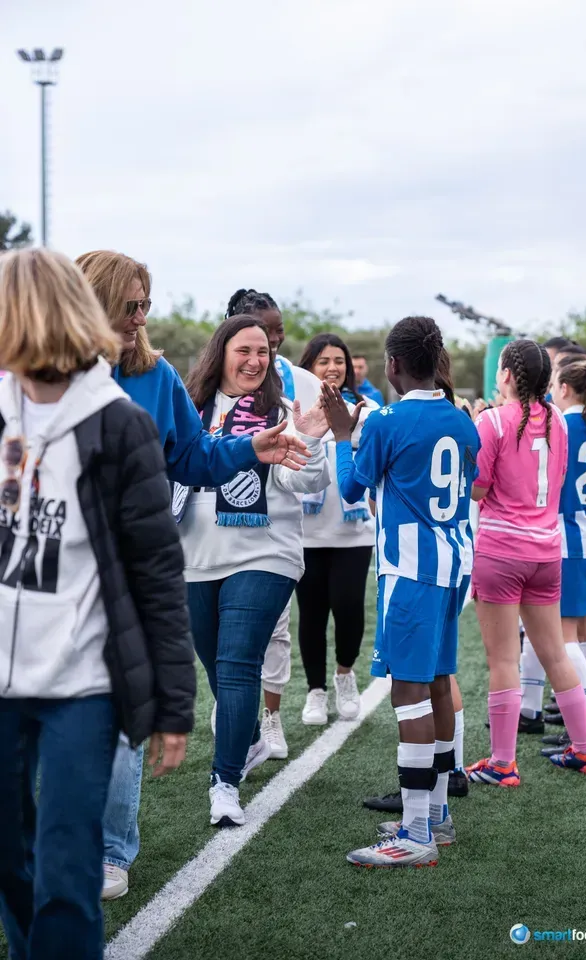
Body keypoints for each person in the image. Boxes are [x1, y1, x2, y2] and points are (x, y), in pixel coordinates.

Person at [77, 253, 309, 900]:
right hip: (51, 579)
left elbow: (192, 457)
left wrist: (251, 447)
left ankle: (112, 850)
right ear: (91, 303)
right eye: (131, 305)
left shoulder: (155, 377)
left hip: (132, 571)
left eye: (146, 304)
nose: (142, 317)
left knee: (126, 711)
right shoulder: (33, 376)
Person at [0, 249, 196, 960]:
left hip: (81, 685)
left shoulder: (117, 423)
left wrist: (173, 703)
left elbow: (156, 573)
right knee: (9, 862)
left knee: (66, 870)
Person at [322, 316, 480, 868]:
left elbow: (351, 487)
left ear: (391, 365)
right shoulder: (463, 422)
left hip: (410, 572)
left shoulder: (387, 421)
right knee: (437, 684)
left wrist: (344, 435)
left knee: (408, 694)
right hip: (453, 567)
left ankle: (415, 835)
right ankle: (435, 815)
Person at [177, 315, 330, 828]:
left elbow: (305, 484)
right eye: (244, 350)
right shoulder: (189, 410)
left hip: (265, 554)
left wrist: (307, 444)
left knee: (238, 662)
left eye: (262, 351)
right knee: (217, 667)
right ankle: (250, 738)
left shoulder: (282, 410)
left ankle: (224, 783)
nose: (254, 360)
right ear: (220, 352)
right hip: (196, 556)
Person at [464, 340, 586, 787]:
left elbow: (478, 491)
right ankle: (584, 749)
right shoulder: (559, 421)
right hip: (547, 551)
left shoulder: (492, 421)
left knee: (503, 660)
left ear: (505, 376)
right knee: (554, 654)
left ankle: (503, 762)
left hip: (502, 551)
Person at [224, 288, 322, 758]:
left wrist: (316, 443)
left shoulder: (297, 382)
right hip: (219, 537)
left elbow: (319, 453)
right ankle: (234, 711)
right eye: (267, 332)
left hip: (272, 532)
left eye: (278, 333)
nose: (277, 341)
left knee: (276, 631)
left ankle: (271, 716)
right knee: (223, 643)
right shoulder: (205, 388)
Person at [538, 356, 586, 761]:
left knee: (566, 638)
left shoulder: (561, 425)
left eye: (554, 383)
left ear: (565, 388)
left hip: (568, 540)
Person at [295, 334, 377, 725]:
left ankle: (344, 674)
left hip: (353, 532)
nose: (332, 368)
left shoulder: (367, 409)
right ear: (308, 365)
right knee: (310, 613)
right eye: (323, 361)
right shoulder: (294, 410)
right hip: (306, 531)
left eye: (339, 361)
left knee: (347, 608)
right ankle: (315, 691)